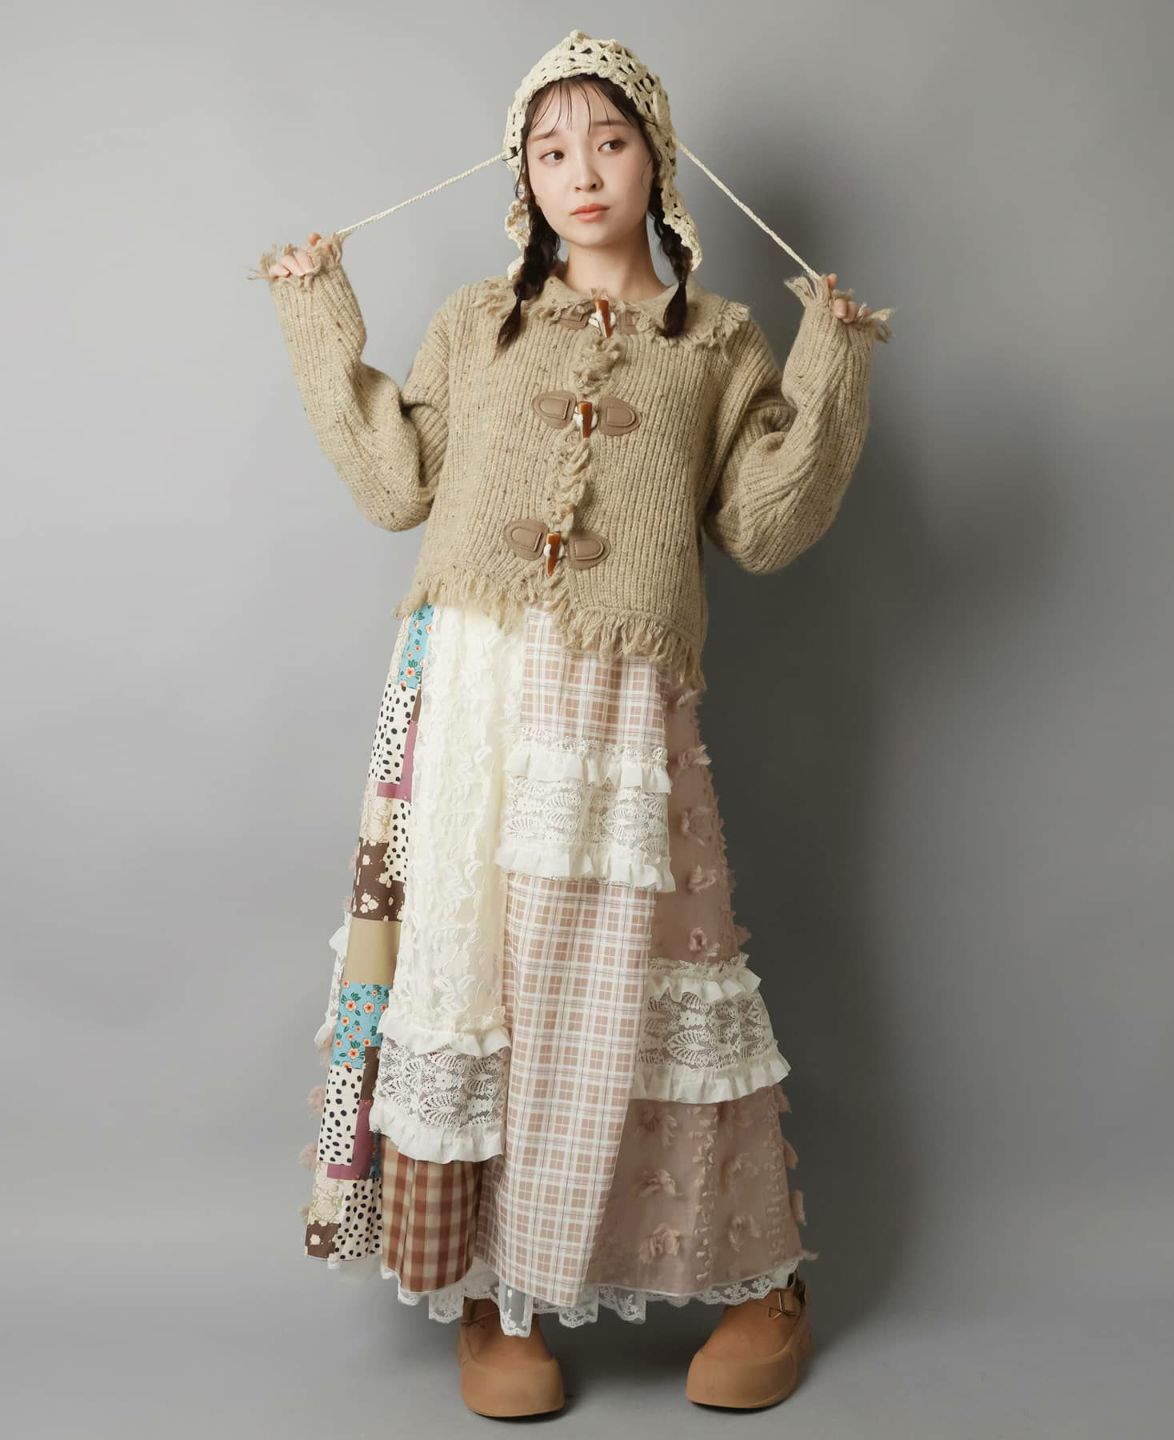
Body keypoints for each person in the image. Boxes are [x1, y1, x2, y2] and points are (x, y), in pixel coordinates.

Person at [253, 28, 891, 1418]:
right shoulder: (475, 324)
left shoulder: (718, 343)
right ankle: (494, 1290)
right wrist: (316, 320)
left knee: (644, 984)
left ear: (657, 158)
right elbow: (395, 482)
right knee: (475, 976)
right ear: (521, 178)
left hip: (620, 706)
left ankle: (758, 1279)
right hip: (468, 695)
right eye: (550, 149)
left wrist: (835, 366)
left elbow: (764, 525)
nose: (581, 172)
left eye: (608, 140)